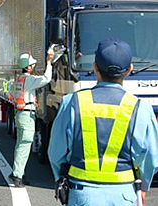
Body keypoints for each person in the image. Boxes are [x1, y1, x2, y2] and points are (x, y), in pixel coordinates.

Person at [48, 38, 158, 205]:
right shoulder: (140, 108)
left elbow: (56, 153)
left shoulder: (71, 102)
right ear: (129, 70)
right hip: (123, 195)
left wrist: (60, 179)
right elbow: (150, 158)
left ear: (95, 67)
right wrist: (143, 187)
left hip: (81, 195)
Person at [8, 49, 54, 187]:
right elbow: (46, 79)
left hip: (20, 114)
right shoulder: (29, 80)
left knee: (20, 145)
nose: (34, 67)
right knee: (24, 146)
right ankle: (16, 176)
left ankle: (18, 173)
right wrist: (49, 63)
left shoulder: (18, 80)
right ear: (27, 67)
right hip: (27, 115)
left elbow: (11, 92)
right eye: (32, 65)